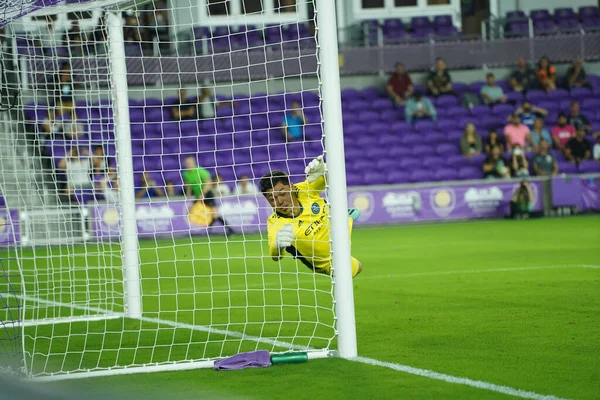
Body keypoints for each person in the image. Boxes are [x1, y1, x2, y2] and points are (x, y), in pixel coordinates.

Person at [261, 155, 362, 278]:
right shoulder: (276, 223)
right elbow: (275, 255)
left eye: (282, 193)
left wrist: (325, 170)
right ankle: (346, 219)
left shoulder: (303, 190)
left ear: (292, 187)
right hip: (328, 262)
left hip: (337, 233)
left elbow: (335, 173)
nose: (279, 201)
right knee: (356, 269)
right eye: (272, 199)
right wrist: (278, 245)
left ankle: (344, 219)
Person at [182, 156, 234, 235]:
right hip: (198, 195)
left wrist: (203, 194)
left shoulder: (200, 170)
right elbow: (188, 184)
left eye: (190, 162)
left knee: (215, 214)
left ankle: (229, 229)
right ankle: (208, 230)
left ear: (194, 162)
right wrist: (188, 194)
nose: (189, 164)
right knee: (191, 211)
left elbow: (208, 181)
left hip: (207, 194)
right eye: (187, 163)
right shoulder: (186, 174)